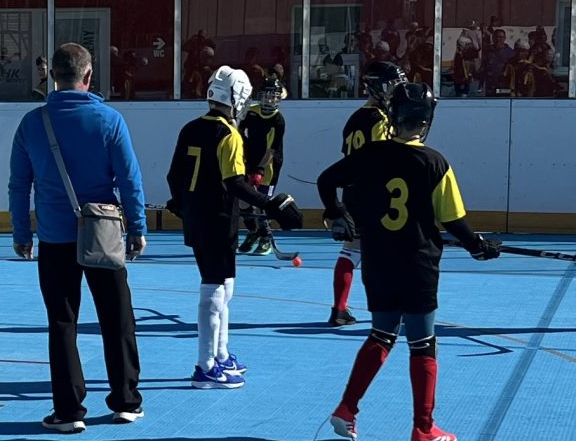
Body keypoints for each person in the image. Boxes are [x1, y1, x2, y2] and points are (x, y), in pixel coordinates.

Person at [317, 83, 501, 441]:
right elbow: (452, 220)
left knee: (381, 334)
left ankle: (347, 408)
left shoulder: (371, 154)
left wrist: (336, 212)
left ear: (393, 117)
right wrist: (478, 246)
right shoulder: (434, 163)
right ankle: (423, 427)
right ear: (427, 121)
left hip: (378, 260)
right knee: (422, 342)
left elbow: (326, 180)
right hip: (417, 263)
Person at [8, 42, 148, 433]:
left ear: (52, 75)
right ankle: (126, 400)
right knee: (117, 317)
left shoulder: (33, 123)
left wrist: (22, 232)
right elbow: (129, 179)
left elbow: (19, 184)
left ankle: (69, 411)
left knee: (62, 323)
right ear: (88, 75)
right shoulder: (109, 120)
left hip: (55, 237)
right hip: (102, 233)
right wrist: (137, 227)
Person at [167, 66, 302, 389]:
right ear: (238, 97)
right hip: (217, 218)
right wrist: (270, 205)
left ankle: (221, 353)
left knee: (225, 286)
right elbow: (235, 184)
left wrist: (182, 204)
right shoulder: (229, 134)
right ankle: (205, 365)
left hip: (199, 218)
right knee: (214, 289)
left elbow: (174, 176)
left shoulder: (190, 128)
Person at [326, 59, 403, 326]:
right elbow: (383, 159)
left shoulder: (354, 118)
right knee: (392, 252)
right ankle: (394, 307)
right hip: (375, 194)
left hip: (352, 193)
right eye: (391, 85)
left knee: (351, 251)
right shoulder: (380, 119)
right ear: (376, 87)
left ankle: (339, 308)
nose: (396, 90)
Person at [236, 70, 297, 264]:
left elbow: (271, 149)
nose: (269, 99)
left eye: (273, 96)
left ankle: (265, 239)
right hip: (248, 161)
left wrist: (260, 170)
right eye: (266, 95)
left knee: (260, 203)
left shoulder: (278, 120)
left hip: (269, 165)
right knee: (243, 201)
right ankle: (253, 232)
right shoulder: (252, 112)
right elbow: (238, 132)